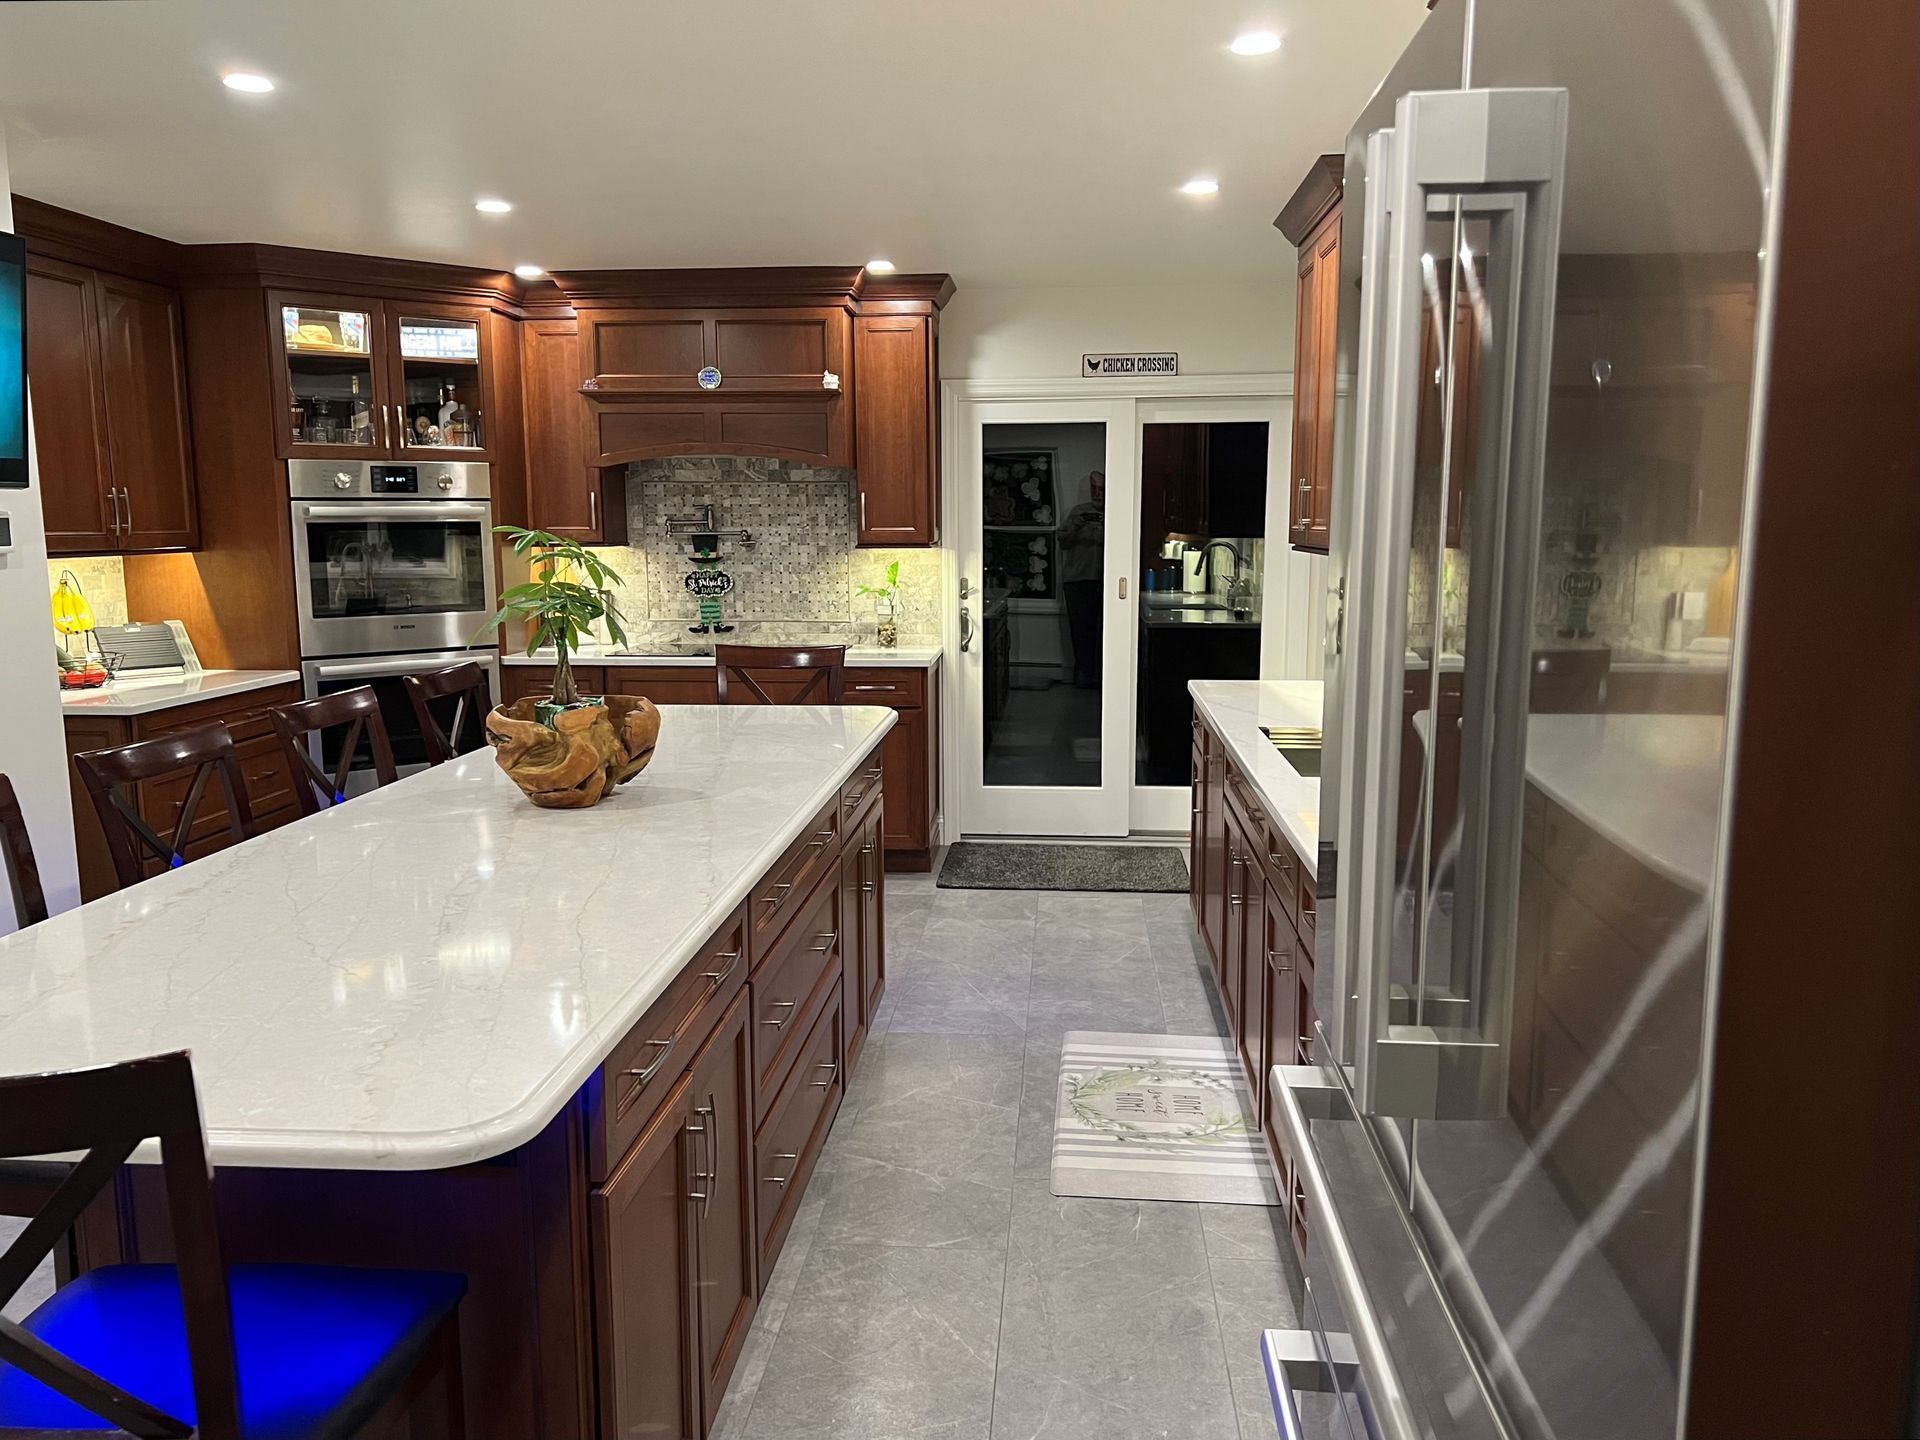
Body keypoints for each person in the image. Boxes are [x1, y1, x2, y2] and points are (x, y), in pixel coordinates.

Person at [1060, 470, 1106, 688]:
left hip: (1106, 582)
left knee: (1104, 632)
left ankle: (1101, 677)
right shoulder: (1077, 513)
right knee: (1080, 630)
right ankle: (1082, 676)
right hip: (1077, 580)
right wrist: (1077, 527)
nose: (1098, 494)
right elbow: (1062, 543)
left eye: (1102, 489)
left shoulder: (1116, 512)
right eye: (1094, 489)